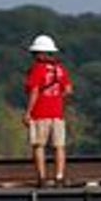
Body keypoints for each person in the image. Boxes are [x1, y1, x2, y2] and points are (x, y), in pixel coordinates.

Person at [22, 35, 72, 184]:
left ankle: (42, 177)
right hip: (57, 113)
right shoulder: (60, 69)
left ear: (39, 53)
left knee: (39, 145)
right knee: (59, 146)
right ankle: (59, 176)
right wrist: (57, 100)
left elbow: (34, 91)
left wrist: (28, 112)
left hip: (40, 113)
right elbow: (68, 90)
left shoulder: (37, 69)